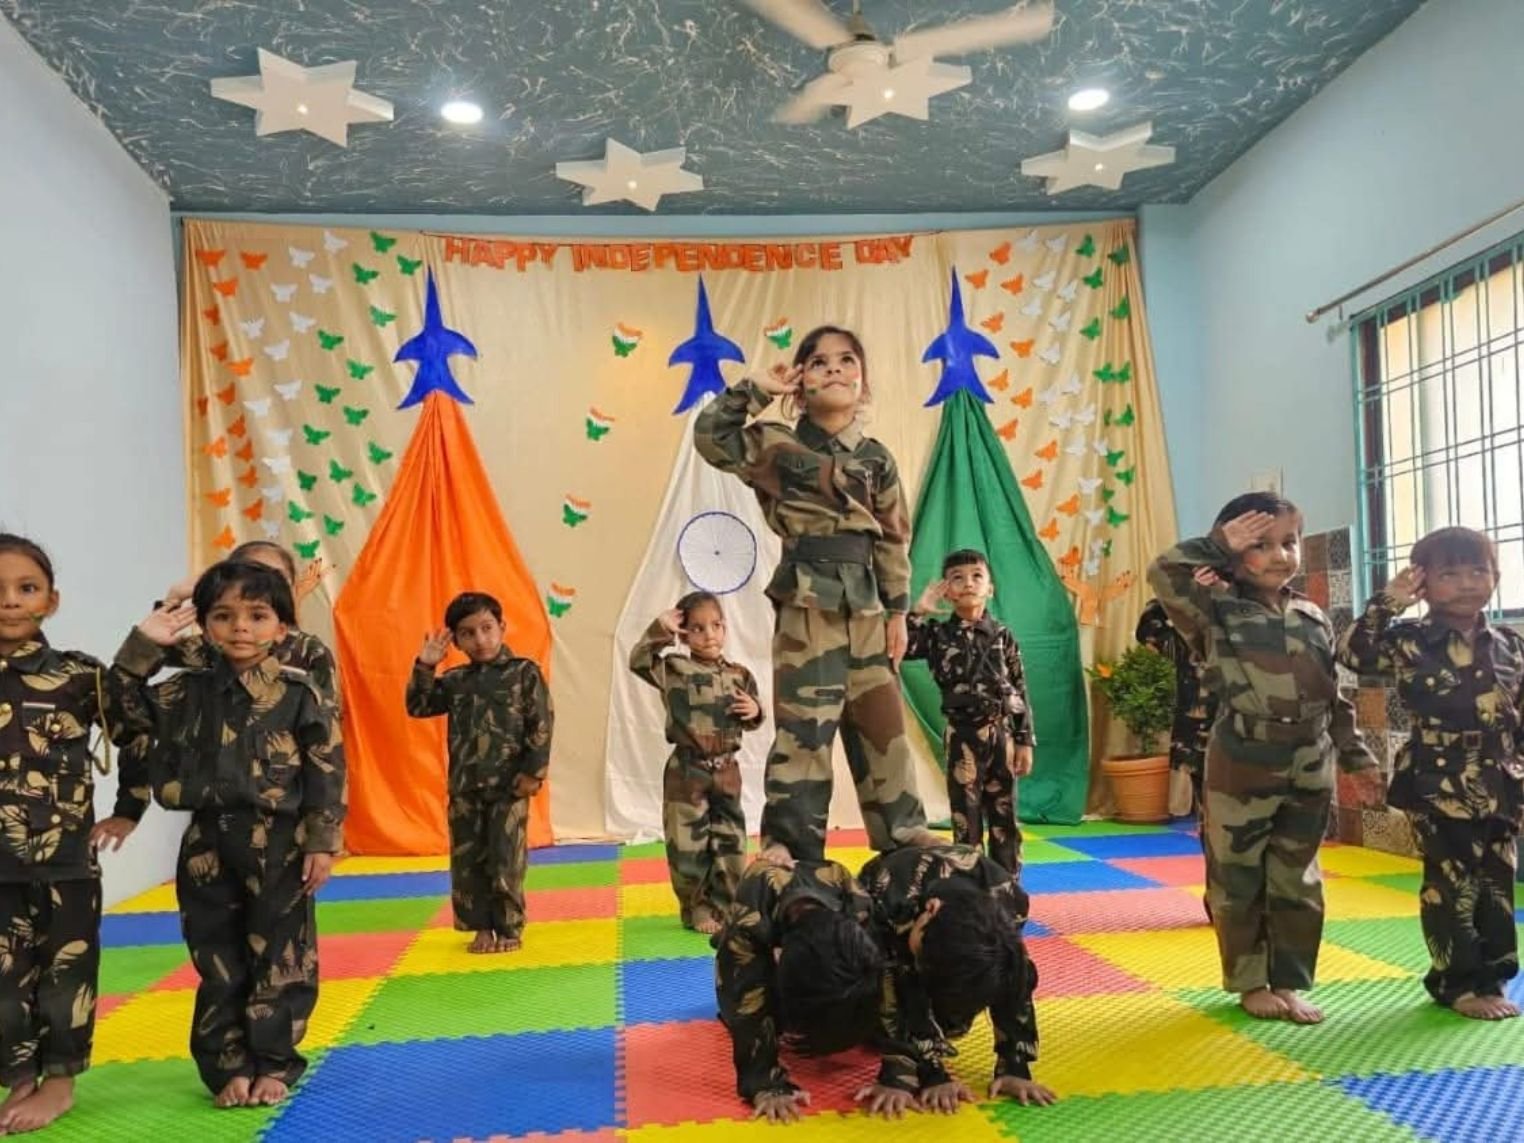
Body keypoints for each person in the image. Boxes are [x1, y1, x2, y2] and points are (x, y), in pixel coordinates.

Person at [101, 560, 345, 1108]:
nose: (241, 628)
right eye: (224, 616)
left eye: (257, 616)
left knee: (282, 957)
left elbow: (326, 768)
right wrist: (141, 646)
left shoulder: (299, 692)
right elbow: (122, 717)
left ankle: (274, 1062)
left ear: (282, 627)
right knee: (216, 956)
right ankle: (227, 1066)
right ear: (205, 625)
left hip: (281, 843)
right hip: (206, 842)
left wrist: (321, 842)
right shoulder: (183, 692)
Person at [694, 324, 931, 861]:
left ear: (863, 379)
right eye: (819, 362)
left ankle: (903, 833)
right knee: (805, 730)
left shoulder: (876, 457)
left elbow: (894, 538)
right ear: (800, 381)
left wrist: (898, 612)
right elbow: (710, 437)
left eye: (847, 360)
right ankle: (790, 843)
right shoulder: (777, 445)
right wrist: (755, 390)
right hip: (807, 603)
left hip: (867, 607)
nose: (834, 370)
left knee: (882, 723)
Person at [1148, 493, 1376, 1024]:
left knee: (1298, 877)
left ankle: (1289, 981)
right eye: (1260, 544)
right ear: (1233, 553)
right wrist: (1218, 546)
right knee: (1238, 876)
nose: (1279, 555)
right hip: (1242, 761)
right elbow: (1163, 572)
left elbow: (1333, 695)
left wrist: (1356, 755)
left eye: (1288, 542)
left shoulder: (1312, 615)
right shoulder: (1213, 609)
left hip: (1310, 761)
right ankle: (1250, 982)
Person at [1336, 526, 1523, 1020]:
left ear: (1496, 576)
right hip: (1437, 782)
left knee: (1497, 882)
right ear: (1423, 582)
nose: (1467, 583)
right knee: (1450, 884)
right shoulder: (1408, 640)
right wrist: (1390, 601)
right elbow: (1351, 653)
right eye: (1449, 574)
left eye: (1478, 571)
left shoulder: (1510, 644)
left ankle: (1494, 978)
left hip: (1500, 780)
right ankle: (1455, 983)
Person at [0, 534, 137, 1132]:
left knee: (65, 974)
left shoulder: (80, 676)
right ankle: (18, 1076)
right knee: (4, 978)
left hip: (66, 860)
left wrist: (129, 809)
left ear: (51, 601)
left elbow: (137, 730)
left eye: (26, 588)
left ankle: (59, 1083)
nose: (10, 601)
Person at [714, 857, 921, 1124]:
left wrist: (900, 1072)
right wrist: (765, 1083)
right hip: (755, 942)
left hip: (820, 933)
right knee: (745, 1007)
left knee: (860, 989)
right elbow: (745, 1001)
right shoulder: (751, 922)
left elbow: (886, 979)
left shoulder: (857, 905)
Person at [406, 591, 553, 954]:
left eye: (487, 628)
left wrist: (533, 773)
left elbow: (541, 724)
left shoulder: (523, 673)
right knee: (468, 861)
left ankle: (509, 926)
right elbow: (419, 706)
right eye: (468, 633)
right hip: (465, 787)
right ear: (456, 641)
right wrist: (425, 666)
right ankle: (481, 926)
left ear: (502, 627)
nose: (480, 639)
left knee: (506, 857)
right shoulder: (456, 680)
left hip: (509, 786)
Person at [859, 844, 1054, 1111]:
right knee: (876, 999)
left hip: (948, 945)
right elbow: (891, 985)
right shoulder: (884, 897)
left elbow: (1013, 975)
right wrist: (919, 1074)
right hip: (878, 944)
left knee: (997, 975)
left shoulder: (1009, 899)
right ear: (930, 909)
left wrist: (1015, 1066)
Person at [629, 591, 764, 933]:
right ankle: (697, 907)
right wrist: (660, 629)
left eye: (716, 625)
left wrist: (756, 711)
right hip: (687, 772)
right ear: (685, 635)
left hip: (727, 770)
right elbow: (639, 660)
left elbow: (753, 715)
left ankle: (727, 905)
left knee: (731, 842)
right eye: (698, 628)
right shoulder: (674, 669)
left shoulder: (740, 674)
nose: (709, 635)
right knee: (688, 845)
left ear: (725, 628)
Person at [905, 550, 1034, 874]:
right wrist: (918, 611)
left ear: (990, 588)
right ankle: (971, 885)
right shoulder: (937, 635)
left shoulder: (1003, 636)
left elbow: (1019, 689)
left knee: (1005, 816)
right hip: (961, 735)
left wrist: (1024, 740)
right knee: (966, 816)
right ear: (946, 592)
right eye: (957, 578)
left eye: (977, 576)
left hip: (1001, 735)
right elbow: (901, 647)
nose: (968, 583)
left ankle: (1007, 885)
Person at [154, 541, 337, 703]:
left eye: (278, 578)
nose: (265, 585)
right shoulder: (218, 643)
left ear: (292, 588)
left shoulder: (310, 650)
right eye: (252, 576)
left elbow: (327, 710)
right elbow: (155, 656)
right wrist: (172, 600)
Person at [1136, 597, 1218, 915]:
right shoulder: (1182, 628)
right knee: (1215, 822)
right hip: (1202, 736)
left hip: (1260, 736)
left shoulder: (1256, 612)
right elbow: (1148, 630)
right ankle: (1223, 898)